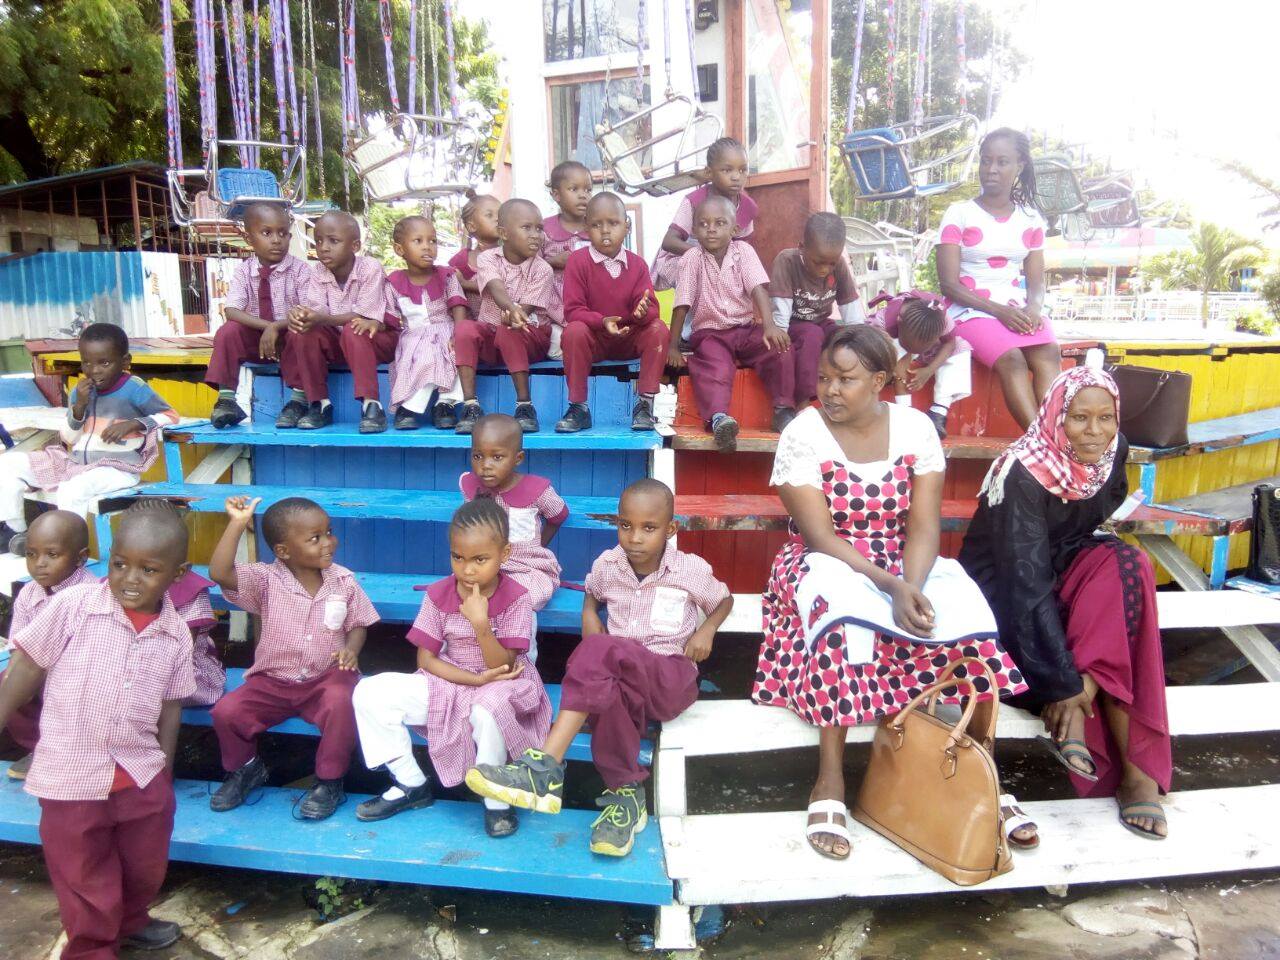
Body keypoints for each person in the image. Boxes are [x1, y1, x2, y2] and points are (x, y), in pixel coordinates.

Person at [752, 324, 1028, 861]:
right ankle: (830, 778)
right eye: (825, 378)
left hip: (906, 560)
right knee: (847, 622)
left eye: (846, 379)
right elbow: (820, 536)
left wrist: (913, 587)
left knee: (964, 615)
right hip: (826, 561)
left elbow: (924, 526)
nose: (830, 390)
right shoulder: (803, 434)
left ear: (879, 380)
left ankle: (976, 769)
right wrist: (890, 586)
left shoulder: (915, 429)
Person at [959, 366, 1172, 839]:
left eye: (1105, 418)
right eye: (1079, 418)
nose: (1094, 432)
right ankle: (1131, 769)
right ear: (1057, 416)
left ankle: (1088, 704)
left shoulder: (1113, 453)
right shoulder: (1025, 472)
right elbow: (1025, 584)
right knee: (1113, 610)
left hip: (1059, 565)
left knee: (1129, 566)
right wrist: (1059, 682)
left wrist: (1079, 685)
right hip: (1003, 591)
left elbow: (1088, 526)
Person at [466, 479, 733, 857]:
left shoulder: (689, 570)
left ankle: (544, 767)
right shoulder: (608, 565)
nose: (635, 537)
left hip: (669, 675)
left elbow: (724, 600)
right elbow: (592, 594)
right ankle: (627, 797)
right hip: (620, 676)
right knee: (607, 692)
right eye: (626, 526)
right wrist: (590, 612)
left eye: (649, 528)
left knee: (600, 651)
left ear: (671, 530)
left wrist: (707, 629)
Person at [0, 506, 196, 957]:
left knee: (144, 865)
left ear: (178, 574)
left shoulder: (176, 635)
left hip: (139, 770)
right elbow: (28, 664)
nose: (130, 578)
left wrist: (162, 771)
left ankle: (130, 920)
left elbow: (170, 706)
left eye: (149, 570)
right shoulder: (73, 607)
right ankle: (92, 947)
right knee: (83, 873)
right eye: (119, 563)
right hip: (71, 770)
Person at [352, 499, 551, 838]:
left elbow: (503, 664)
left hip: (505, 682)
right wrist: (471, 679)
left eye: (480, 559)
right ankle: (411, 782)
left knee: (489, 710)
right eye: (458, 557)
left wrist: (481, 624)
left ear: (503, 555)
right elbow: (425, 661)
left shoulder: (517, 596)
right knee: (369, 691)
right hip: (451, 677)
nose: (468, 569)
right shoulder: (439, 593)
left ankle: (495, 799)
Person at [206, 495, 379, 821]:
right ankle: (246, 769)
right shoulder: (265, 580)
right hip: (273, 680)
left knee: (342, 702)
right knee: (226, 711)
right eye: (315, 538)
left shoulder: (343, 581)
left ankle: (329, 781)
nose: (328, 542)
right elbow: (219, 571)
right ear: (283, 551)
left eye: (329, 532)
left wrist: (351, 651)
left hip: (328, 675)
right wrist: (238, 524)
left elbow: (358, 624)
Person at [0, 323, 180, 555]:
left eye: (104, 363)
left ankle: (66, 549)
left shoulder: (134, 389)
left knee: (71, 490)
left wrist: (135, 423)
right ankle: (14, 532)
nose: (94, 371)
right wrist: (79, 408)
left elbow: (170, 416)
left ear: (125, 361)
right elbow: (67, 437)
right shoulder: (79, 391)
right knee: (8, 463)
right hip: (75, 464)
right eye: (87, 362)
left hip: (117, 469)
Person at [936, 128, 1059, 430]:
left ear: (1019, 167)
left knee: (1049, 354)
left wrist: (1034, 309)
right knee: (1013, 360)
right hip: (969, 310)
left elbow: (1037, 282)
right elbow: (949, 284)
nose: (991, 169)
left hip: (1016, 309)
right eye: (986, 161)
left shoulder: (1030, 219)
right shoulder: (959, 213)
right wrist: (1000, 312)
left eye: (1002, 162)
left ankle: (1056, 440)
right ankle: (1040, 446)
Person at [670, 194, 791, 452]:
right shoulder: (692, 258)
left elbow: (758, 288)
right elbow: (682, 304)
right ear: (693, 230)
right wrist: (673, 346)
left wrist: (769, 325)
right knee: (714, 366)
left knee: (777, 349)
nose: (711, 229)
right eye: (703, 224)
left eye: (719, 223)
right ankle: (718, 419)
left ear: (734, 229)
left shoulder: (744, 251)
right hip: (710, 333)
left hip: (745, 328)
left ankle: (782, 410)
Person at [278, 211, 400, 434]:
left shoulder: (370, 267)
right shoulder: (318, 272)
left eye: (333, 241)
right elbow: (317, 311)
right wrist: (302, 316)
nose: (324, 247)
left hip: (376, 340)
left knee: (355, 328)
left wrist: (321, 318)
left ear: (354, 245)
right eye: (319, 241)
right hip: (340, 342)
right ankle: (319, 404)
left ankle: (372, 404)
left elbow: (364, 315)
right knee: (302, 332)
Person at [557, 192, 669, 433]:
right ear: (586, 228)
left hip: (629, 337)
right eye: (596, 225)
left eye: (613, 223)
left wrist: (641, 313)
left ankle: (645, 405)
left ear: (626, 227)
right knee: (573, 331)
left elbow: (652, 309)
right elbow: (573, 310)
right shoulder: (578, 261)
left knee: (658, 329)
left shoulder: (637, 264)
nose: (605, 231)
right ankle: (579, 407)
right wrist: (602, 321)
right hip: (595, 340)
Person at [0, 510, 94, 782]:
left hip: (76, 676)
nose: (39, 564)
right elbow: (18, 644)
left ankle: (70, 751)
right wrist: (17, 678)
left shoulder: (90, 595)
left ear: (81, 557)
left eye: (52, 555)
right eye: (31, 554)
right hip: (37, 670)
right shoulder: (29, 593)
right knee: (8, 683)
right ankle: (39, 748)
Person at [453, 199, 557, 435]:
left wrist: (514, 314)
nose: (535, 235)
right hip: (493, 337)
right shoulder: (488, 259)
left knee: (509, 329)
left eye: (539, 228)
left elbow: (526, 311)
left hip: (530, 337)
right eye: (526, 227)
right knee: (465, 329)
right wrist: (510, 308)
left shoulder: (543, 269)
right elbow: (495, 286)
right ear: (504, 233)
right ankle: (470, 406)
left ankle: (525, 406)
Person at [205, 202, 308, 428]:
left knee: (303, 333)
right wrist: (266, 327)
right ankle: (226, 399)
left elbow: (307, 312)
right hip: (260, 343)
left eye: (283, 233)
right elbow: (231, 310)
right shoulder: (244, 270)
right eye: (266, 233)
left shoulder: (301, 270)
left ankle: (299, 401)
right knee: (228, 332)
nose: (276, 240)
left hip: (290, 339)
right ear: (250, 239)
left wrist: (276, 327)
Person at [461, 414, 566, 611]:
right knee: (462, 594)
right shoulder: (471, 487)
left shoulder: (537, 490)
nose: (485, 465)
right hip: (484, 566)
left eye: (497, 457)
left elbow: (558, 516)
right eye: (478, 456)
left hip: (527, 568)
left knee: (521, 599)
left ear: (518, 458)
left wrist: (540, 545)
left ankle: (510, 638)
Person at [769, 212, 865, 410]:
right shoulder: (787, 261)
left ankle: (847, 398)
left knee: (844, 337)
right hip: (791, 325)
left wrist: (860, 340)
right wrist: (779, 333)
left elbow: (851, 311)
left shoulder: (838, 265)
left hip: (821, 323)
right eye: (818, 262)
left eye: (831, 263)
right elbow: (780, 310)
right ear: (802, 247)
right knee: (812, 334)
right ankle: (804, 401)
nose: (825, 269)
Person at [386, 215, 470, 431]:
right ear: (399, 249)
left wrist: (458, 333)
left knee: (457, 353)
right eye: (418, 241)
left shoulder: (446, 275)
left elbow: (458, 304)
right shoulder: (394, 281)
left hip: (447, 330)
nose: (428, 247)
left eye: (432, 241)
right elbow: (389, 315)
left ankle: (445, 404)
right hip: (414, 335)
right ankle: (409, 407)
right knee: (422, 355)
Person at [652, 137, 757, 291]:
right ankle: (691, 314)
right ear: (709, 172)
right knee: (699, 274)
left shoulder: (747, 207)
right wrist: (704, 255)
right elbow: (669, 242)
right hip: (686, 255)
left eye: (742, 170)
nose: (736, 177)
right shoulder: (694, 201)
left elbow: (743, 249)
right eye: (727, 170)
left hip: (723, 260)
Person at [868, 289, 972, 438]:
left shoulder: (941, 318)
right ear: (900, 322)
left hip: (925, 349)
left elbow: (950, 343)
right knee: (899, 350)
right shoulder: (885, 320)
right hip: (886, 345)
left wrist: (929, 370)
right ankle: (905, 412)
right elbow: (884, 354)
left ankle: (939, 413)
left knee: (961, 350)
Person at [539, 160, 593, 311]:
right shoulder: (543, 230)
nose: (583, 195)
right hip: (552, 313)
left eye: (588, 190)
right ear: (556, 195)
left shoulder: (596, 229)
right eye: (574, 189)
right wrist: (552, 262)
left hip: (591, 309)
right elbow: (527, 269)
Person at [448, 192, 502, 319]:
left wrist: (465, 283)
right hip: (473, 327)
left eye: (500, 214)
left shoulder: (510, 256)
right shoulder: (461, 260)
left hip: (504, 323)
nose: (498, 219)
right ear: (472, 226)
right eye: (490, 215)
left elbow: (503, 289)